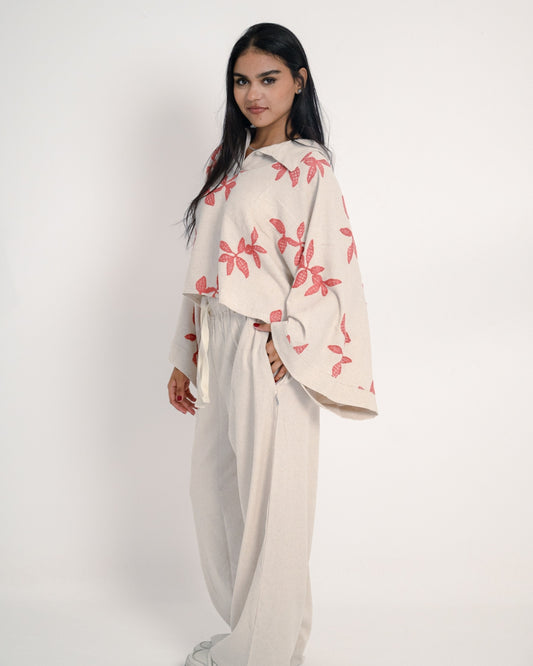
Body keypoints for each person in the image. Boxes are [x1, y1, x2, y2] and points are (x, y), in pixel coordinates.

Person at [167, 22, 378, 666]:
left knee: (273, 508)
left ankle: (258, 654)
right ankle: (264, 640)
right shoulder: (228, 162)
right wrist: (186, 354)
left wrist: (290, 340)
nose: (252, 94)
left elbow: (331, 266)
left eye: (268, 78)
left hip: (270, 345)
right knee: (214, 493)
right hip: (220, 340)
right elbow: (206, 266)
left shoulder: (308, 166)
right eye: (241, 81)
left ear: (298, 81)